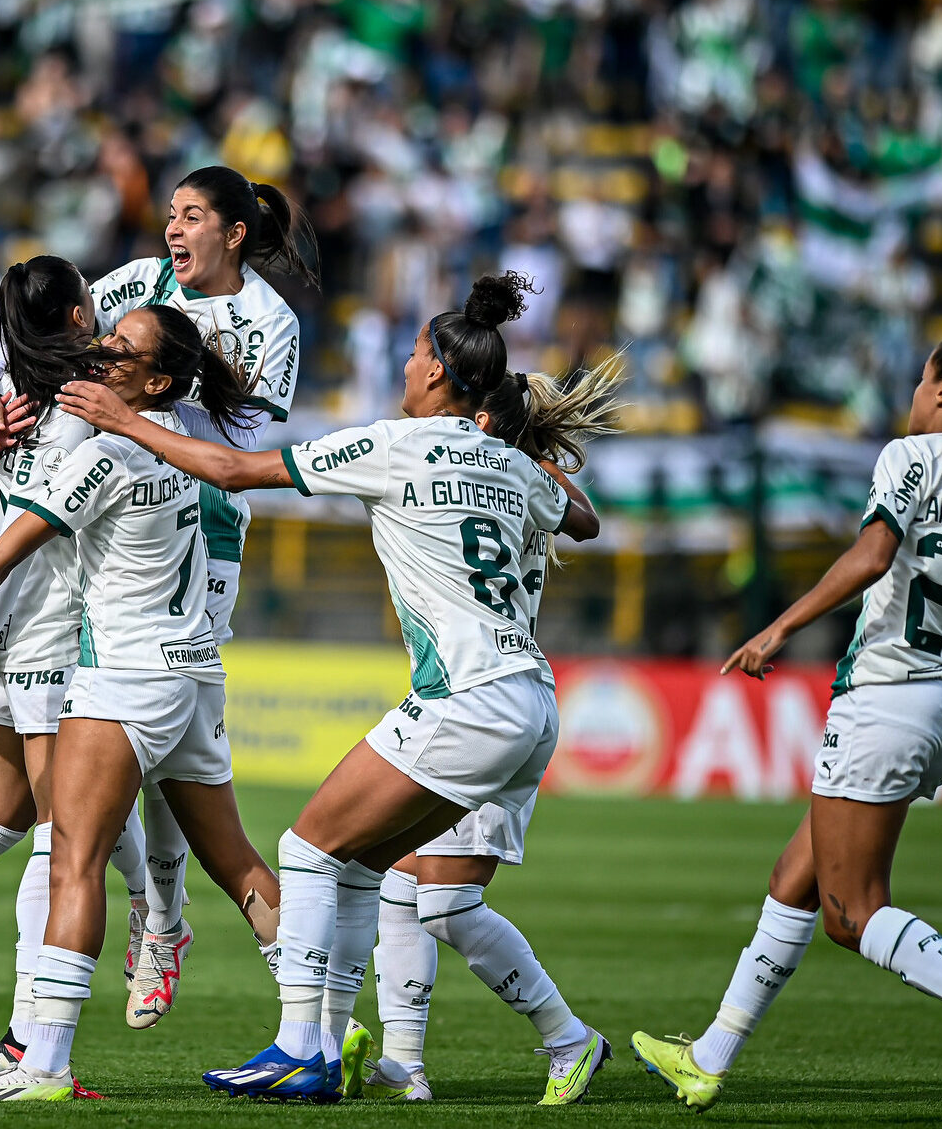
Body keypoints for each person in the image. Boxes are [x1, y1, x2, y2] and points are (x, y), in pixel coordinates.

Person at [57, 273, 603, 1103]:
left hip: (466, 697)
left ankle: (299, 1045)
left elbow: (234, 472)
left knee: (305, 848)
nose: (407, 362)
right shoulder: (513, 466)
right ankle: (322, 1051)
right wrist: (514, 460)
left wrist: (126, 422)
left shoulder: (394, 443)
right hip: (532, 703)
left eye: (417, 351)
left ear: (436, 376)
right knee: (356, 868)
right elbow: (586, 519)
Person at [632, 324, 942, 1118]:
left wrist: (777, 627)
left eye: (923, 380)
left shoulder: (910, 457)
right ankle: (708, 1057)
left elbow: (875, 555)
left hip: (887, 695)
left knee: (853, 912)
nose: (915, 394)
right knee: (794, 879)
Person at [0, 302, 280, 1102]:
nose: (102, 352)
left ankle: (41, 1062)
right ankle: (318, 1029)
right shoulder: (186, 448)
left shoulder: (109, 456)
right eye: (106, 339)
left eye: (122, 351)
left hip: (125, 678)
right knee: (239, 862)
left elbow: (8, 548)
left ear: (153, 381)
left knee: (72, 858)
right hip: (194, 677)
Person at [0, 164, 318, 1025]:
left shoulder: (270, 324)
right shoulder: (138, 283)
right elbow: (34, 346)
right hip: (109, 522)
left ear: (235, 234)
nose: (172, 228)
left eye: (191, 215)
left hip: (198, 539)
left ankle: (153, 930)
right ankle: (193, 937)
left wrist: (136, 418)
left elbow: (238, 446)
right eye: (170, 213)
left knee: (147, 758)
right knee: (175, 760)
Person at [359, 358, 624, 1105]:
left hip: (490, 700)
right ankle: (404, 1063)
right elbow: (587, 520)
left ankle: (570, 1039)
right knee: (401, 880)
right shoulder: (521, 482)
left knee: (445, 903)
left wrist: (516, 447)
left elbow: (587, 521)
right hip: (468, 695)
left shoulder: (506, 472)